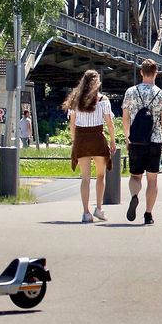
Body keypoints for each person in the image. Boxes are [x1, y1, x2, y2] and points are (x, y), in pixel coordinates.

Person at [122, 59, 162, 225]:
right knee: (152, 179)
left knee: (135, 176)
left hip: (136, 140)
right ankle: (148, 214)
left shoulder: (130, 92)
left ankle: (135, 195)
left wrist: (127, 137)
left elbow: (126, 118)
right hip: (155, 140)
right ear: (156, 73)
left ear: (141, 72)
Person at [64, 70, 116, 223]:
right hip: (97, 139)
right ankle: (99, 209)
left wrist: (74, 142)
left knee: (85, 178)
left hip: (81, 139)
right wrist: (113, 140)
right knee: (100, 176)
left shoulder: (75, 100)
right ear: (97, 83)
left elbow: (72, 125)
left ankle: (86, 212)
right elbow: (109, 123)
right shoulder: (103, 100)